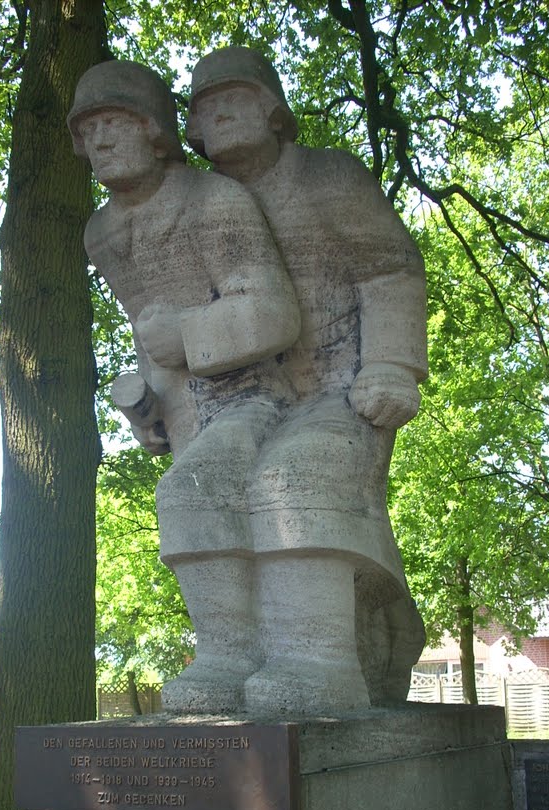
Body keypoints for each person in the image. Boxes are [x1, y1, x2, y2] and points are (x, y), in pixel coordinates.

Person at [186, 47, 429, 713]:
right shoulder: (196, 206)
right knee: (198, 488)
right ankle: (227, 659)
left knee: (295, 476)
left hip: (339, 384)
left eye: (238, 96)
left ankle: (316, 661)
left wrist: (391, 365)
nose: (221, 111)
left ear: (276, 113)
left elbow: (391, 271)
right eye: (205, 105)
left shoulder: (330, 178)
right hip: (246, 399)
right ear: (193, 131)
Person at [68, 60, 301, 712]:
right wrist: (148, 402)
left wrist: (190, 334)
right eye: (89, 132)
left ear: (155, 132)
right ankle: (241, 653)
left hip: (257, 395)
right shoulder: (104, 232)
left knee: (192, 491)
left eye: (114, 124)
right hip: (185, 409)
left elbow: (275, 312)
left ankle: (234, 655)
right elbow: (148, 332)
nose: (101, 142)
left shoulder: (214, 200)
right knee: (194, 489)